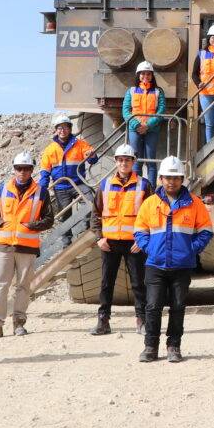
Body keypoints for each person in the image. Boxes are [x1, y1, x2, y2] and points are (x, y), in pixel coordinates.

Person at [133, 156, 213, 363]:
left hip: (182, 265)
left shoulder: (195, 204)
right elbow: (139, 231)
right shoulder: (150, 203)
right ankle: (150, 346)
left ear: (182, 179)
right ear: (160, 179)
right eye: (168, 177)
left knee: (178, 306)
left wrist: (191, 249)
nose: (171, 182)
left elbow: (205, 231)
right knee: (152, 306)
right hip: (155, 265)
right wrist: (150, 249)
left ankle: (173, 346)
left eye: (176, 178)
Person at [0, 151, 55, 339]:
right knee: (0, 284)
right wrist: (0, 223)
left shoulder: (41, 192)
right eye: (19, 168)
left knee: (23, 286)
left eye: (27, 168)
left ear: (32, 170)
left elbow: (49, 219)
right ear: (14, 169)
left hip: (27, 247)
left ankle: (19, 323)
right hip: (4, 245)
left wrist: (32, 225)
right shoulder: (3, 189)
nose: (23, 172)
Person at [90, 144, 152, 336]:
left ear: (133, 162)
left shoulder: (144, 185)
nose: (123, 163)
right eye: (120, 160)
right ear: (116, 162)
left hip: (134, 243)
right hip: (109, 243)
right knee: (107, 283)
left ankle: (142, 320)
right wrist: (99, 237)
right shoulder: (105, 184)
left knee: (138, 283)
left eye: (127, 160)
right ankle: (103, 320)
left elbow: (152, 214)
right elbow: (95, 213)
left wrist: (143, 240)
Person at [39, 113, 98, 249]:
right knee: (65, 217)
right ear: (55, 130)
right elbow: (45, 173)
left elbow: (92, 159)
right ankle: (67, 244)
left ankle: (88, 233)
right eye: (59, 127)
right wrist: (42, 191)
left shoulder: (80, 144)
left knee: (90, 203)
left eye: (65, 127)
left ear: (70, 129)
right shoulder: (50, 150)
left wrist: (92, 155)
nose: (62, 130)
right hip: (60, 188)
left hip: (78, 184)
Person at [124, 61, 166, 182]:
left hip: (152, 130)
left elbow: (161, 110)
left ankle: (151, 190)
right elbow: (126, 111)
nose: (145, 76)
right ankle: (137, 189)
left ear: (152, 76)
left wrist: (148, 125)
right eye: (143, 74)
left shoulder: (158, 91)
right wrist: (137, 125)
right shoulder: (131, 91)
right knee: (136, 161)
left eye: (148, 74)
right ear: (138, 75)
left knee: (150, 162)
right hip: (135, 130)